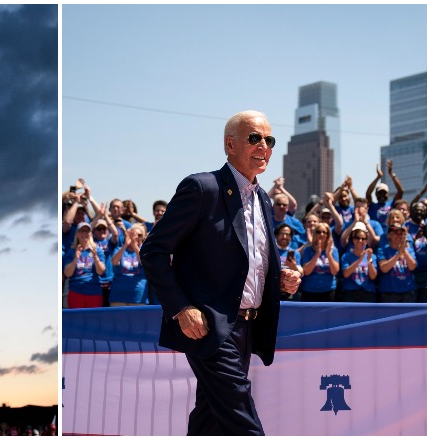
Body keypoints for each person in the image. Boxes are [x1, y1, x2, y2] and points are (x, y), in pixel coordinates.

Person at [141, 110, 301, 435]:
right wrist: (181, 309)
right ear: (230, 144)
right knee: (241, 418)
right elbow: (153, 251)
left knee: (210, 418)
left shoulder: (264, 199)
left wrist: (280, 279)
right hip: (209, 327)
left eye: (269, 140)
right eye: (254, 138)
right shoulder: (202, 188)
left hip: (248, 327)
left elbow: (250, 259)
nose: (264, 146)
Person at [62, 222, 106, 308]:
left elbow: (101, 271)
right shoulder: (71, 252)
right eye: (82, 231)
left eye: (87, 231)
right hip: (76, 292)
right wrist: (76, 258)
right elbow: (67, 274)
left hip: (94, 292)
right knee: (77, 321)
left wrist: (95, 257)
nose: (84, 234)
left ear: (90, 234)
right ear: (77, 234)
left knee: (93, 320)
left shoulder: (98, 251)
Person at [377, 222, 417, 302]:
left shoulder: (409, 251)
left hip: (408, 292)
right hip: (389, 293)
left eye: (401, 234)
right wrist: (398, 254)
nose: (399, 236)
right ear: (389, 235)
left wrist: (404, 251)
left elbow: (412, 266)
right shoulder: (383, 250)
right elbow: (384, 268)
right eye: (396, 233)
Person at [109, 224, 148, 306]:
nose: (136, 237)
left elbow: (144, 263)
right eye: (133, 234)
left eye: (139, 235)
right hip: (118, 296)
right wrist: (125, 245)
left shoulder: (144, 250)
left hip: (138, 297)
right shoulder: (119, 249)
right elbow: (114, 262)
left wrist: (135, 246)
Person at [300, 222, 340, 302]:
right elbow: (306, 271)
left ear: (328, 235)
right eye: (318, 232)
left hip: (328, 291)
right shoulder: (308, 250)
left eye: (324, 232)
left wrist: (329, 254)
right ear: (315, 234)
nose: (321, 234)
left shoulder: (333, 250)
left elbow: (335, 271)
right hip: (309, 291)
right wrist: (317, 254)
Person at [339, 223, 378, 302]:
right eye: (357, 238)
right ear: (353, 240)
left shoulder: (372, 256)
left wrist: (369, 260)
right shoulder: (346, 256)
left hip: (368, 292)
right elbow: (346, 274)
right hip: (350, 292)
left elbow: (373, 276)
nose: (360, 241)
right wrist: (360, 259)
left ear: (366, 241)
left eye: (363, 239)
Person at [365, 159, 404, 225]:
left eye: (384, 193)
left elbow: (401, 191)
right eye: (379, 193)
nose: (382, 195)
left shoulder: (392, 204)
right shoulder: (372, 206)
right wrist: (378, 177)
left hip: (391, 233)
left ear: (388, 194)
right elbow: (368, 193)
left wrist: (391, 174)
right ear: (376, 194)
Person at [274, 224, 302, 300]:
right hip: (272, 289)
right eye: (282, 233)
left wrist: (294, 267)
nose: (285, 237)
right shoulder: (271, 251)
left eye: (287, 234)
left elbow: (301, 272)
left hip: (289, 290)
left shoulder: (294, 253)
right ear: (276, 235)